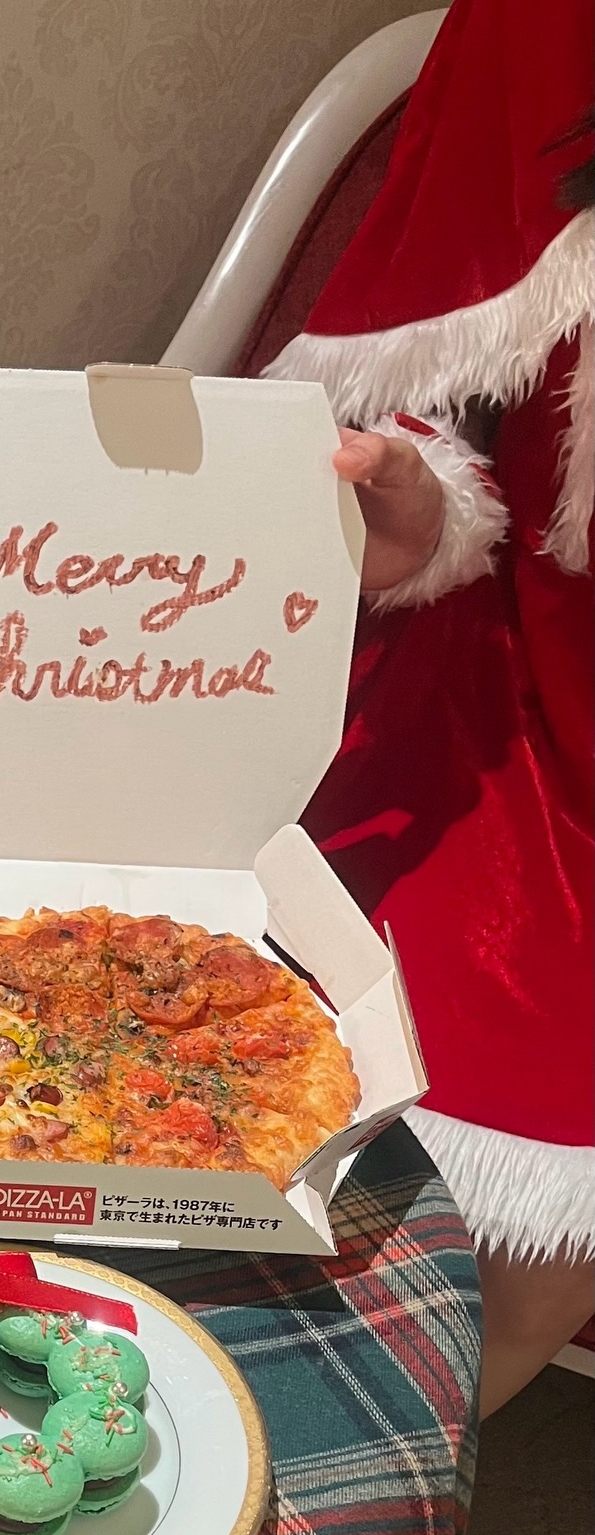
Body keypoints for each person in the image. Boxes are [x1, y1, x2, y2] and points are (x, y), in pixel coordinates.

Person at [263, 0, 593, 1416]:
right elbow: (422, 404)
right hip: (524, 715)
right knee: (513, 1244)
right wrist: (410, 515)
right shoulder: (540, 35)